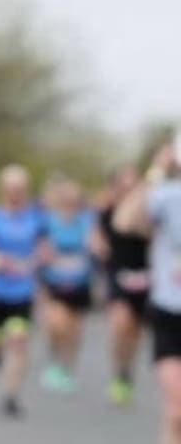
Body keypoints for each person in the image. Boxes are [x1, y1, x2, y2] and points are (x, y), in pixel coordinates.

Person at [115, 142, 181, 444]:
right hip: (171, 311)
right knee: (177, 411)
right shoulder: (168, 195)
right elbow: (123, 221)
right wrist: (156, 171)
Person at [0, 164, 47, 418]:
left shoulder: (36, 216)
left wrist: (37, 260)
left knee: (18, 342)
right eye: (11, 188)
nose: (16, 192)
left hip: (23, 291)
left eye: (20, 188)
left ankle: (11, 396)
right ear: (3, 189)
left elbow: (44, 247)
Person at [95, 165, 151, 406]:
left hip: (145, 274)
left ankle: (127, 371)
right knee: (121, 323)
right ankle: (119, 371)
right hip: (118, 274)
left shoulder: (149, 211)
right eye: (124, 184)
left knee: (135, 331)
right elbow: (101, 236)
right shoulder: (108, 211)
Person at [38, 179, 97, 394]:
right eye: (66, 198)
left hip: (80, 283)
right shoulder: (49, 221)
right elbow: (39, 244)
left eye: (74, 199)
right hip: (54, 282)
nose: (70, 202)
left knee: (74, 330)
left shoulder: (88, 221)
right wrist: (44, 253)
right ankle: (54, 361)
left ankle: (67, 367)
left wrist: (96, 246)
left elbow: (96, 246)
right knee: (57, 324)